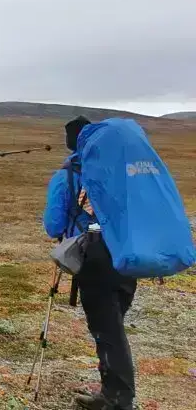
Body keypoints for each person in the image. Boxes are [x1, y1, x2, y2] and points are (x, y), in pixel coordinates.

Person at [43, 116, 137, 410]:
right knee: (112, 324)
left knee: (107, 329)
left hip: (93, 258)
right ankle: (112, 390)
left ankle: (118, 398)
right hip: (125, 254)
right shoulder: (122, 170)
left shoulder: (67, 175)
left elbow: (53, 225)